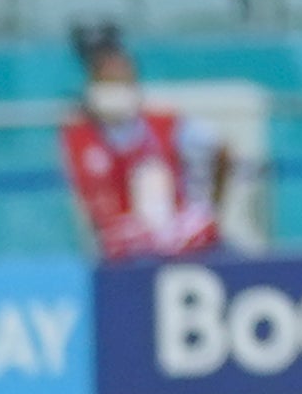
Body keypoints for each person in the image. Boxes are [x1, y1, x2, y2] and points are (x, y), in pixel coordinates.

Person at [61, 37, 227, 262]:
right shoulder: (79, 134)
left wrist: (205, 207)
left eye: (121, 82)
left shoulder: (165, 123)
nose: (115, 90)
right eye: (108, 82)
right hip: (122, 244)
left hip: (176, 235)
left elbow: (221, 150)